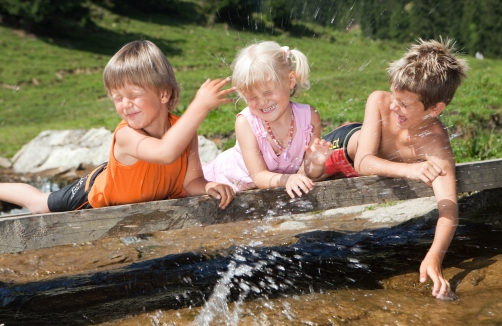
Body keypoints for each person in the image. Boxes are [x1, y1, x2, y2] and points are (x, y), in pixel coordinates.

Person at [0, 40, 236, 214]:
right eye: (117, 97)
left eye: (134, 94)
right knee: (39, 203)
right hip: (96, 192)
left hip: (129, 178)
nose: (126, 104)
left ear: (164, 93)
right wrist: (200, 106)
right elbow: (165, 152)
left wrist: (209, 186)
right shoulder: (126, 135)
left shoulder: (184, 133)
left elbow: (190, 183)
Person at [321, 38, 468, 299]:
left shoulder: (435, 143)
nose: (393, 106)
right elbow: (363, 163)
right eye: (394, 96)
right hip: (341, 146)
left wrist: (434, 256)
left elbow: (448, 207)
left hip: (367, 153)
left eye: (404, 104)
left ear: (435, 109)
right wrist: (410, 170)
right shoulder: (380, 100)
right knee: (298, 165)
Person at [203, 41, 330, 198]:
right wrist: (288, 179)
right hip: (222, 187)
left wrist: (317, 163)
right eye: (252, 97)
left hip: (259, 195)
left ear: (290, 81)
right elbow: (259, 177)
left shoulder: (309, 118)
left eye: (268, 92)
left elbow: (305, 173)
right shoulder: (246, 123)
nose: (262, 102)